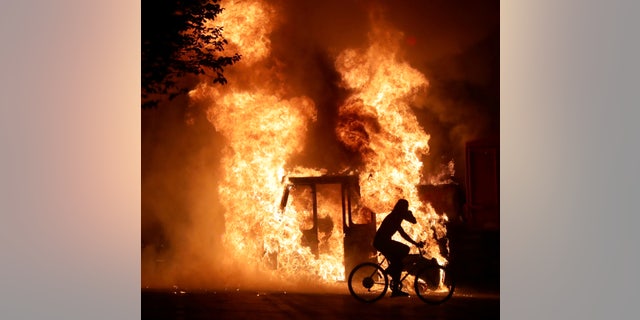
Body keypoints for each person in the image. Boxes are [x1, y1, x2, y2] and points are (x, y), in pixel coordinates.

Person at [373, 199, 424, 297]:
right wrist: (415, 243)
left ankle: (395, 289)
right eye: (405, 207)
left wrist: (415, 243)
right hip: (381, 242)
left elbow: (413, 222)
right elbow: (403, 234)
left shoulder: (396, 216)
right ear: (402, 208)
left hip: (383, 242)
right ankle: (390, 270)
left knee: (398, 265)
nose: (406, 209)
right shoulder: (394, 217)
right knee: (404, 250)